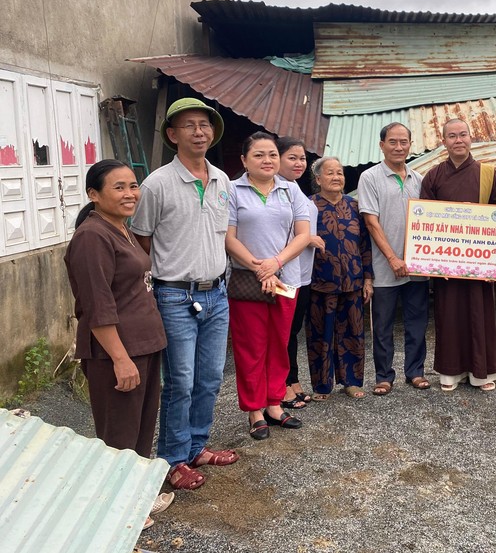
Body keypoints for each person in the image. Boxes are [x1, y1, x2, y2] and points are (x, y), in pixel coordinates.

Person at [131, 97, 238, 491]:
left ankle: (196, 446)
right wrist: (170, 273)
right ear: (173, 134)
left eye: (205, 125)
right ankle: (172, 459)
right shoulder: (157, 184)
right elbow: (141, 238)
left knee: (210, 377)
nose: (199, 131)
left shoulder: (222, 179)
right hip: (175, 296)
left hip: (217, 293)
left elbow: (222, 232)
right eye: (189, 125)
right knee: (181, 380)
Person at [65, 159, 174, 527]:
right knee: (118, 433)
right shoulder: (92, 237)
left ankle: (137, 497)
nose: (130, 194)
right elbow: (97, 305)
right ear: (94, 195)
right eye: (119, 187)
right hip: (117, 351)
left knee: (142, 427)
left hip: (143, 343)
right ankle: (115, 509)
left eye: (133, 185)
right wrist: (120, 359)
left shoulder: (120, 229)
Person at [225, 132, 311, 439]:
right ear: (244, 160)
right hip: (248, 281)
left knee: (279, 343)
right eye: (259, 155)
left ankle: (275, 403)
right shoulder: (233, 190)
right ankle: (254, 411)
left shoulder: (291, 190)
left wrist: (275, 263)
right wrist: (260, 268)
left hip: (285, 279)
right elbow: (228, 236)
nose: (267, 160)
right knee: (251, 347)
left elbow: (303, 234)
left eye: (272, 154)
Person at [421, 118, 496, 392]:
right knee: (449, 314)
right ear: (443, 141)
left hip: (478, 260)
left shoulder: (487, 173)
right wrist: (434, 261)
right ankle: (450, 373)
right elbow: (424, 221)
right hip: (448, 261)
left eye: (463, 135)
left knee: (479, 313)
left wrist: (494, 257)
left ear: (471, 138)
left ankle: (482, 373)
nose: (458, 140)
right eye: (452, 136)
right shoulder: (433, 176)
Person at [357, 122, 430, 395]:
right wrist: (392, 258)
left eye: (403, 142)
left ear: (410, 145)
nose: (398, 147)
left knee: (417, 322)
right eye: (393, 142)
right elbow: (371, 222)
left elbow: (434, 221)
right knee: (383, 325)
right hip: (385, 267)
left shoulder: (420, 179)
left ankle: (416, 372)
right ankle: (384, 376)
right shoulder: (370, 177)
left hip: (417, 267)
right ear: (382, 145)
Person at [308, 157, 374, 399]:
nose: (336, 177)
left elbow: (365, 244)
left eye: (340, 173)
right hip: (319, 281)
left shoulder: (355, 206)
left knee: (354, 332)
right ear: (318, 179)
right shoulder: (308, 206)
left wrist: (368, 278)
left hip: (353, 280)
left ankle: (352, 381)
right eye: (330, 173)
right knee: (320, 334)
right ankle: (322, 386)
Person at [276, 136, 325, 408]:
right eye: (292, 158)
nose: (298, 163)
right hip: (285, 274)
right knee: (283, 332)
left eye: (302, 159)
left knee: (292, 330)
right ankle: (281, 385)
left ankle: (292, 380)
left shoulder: (295, 188)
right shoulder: (277, 190)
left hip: (303, 274)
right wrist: (309, 238)